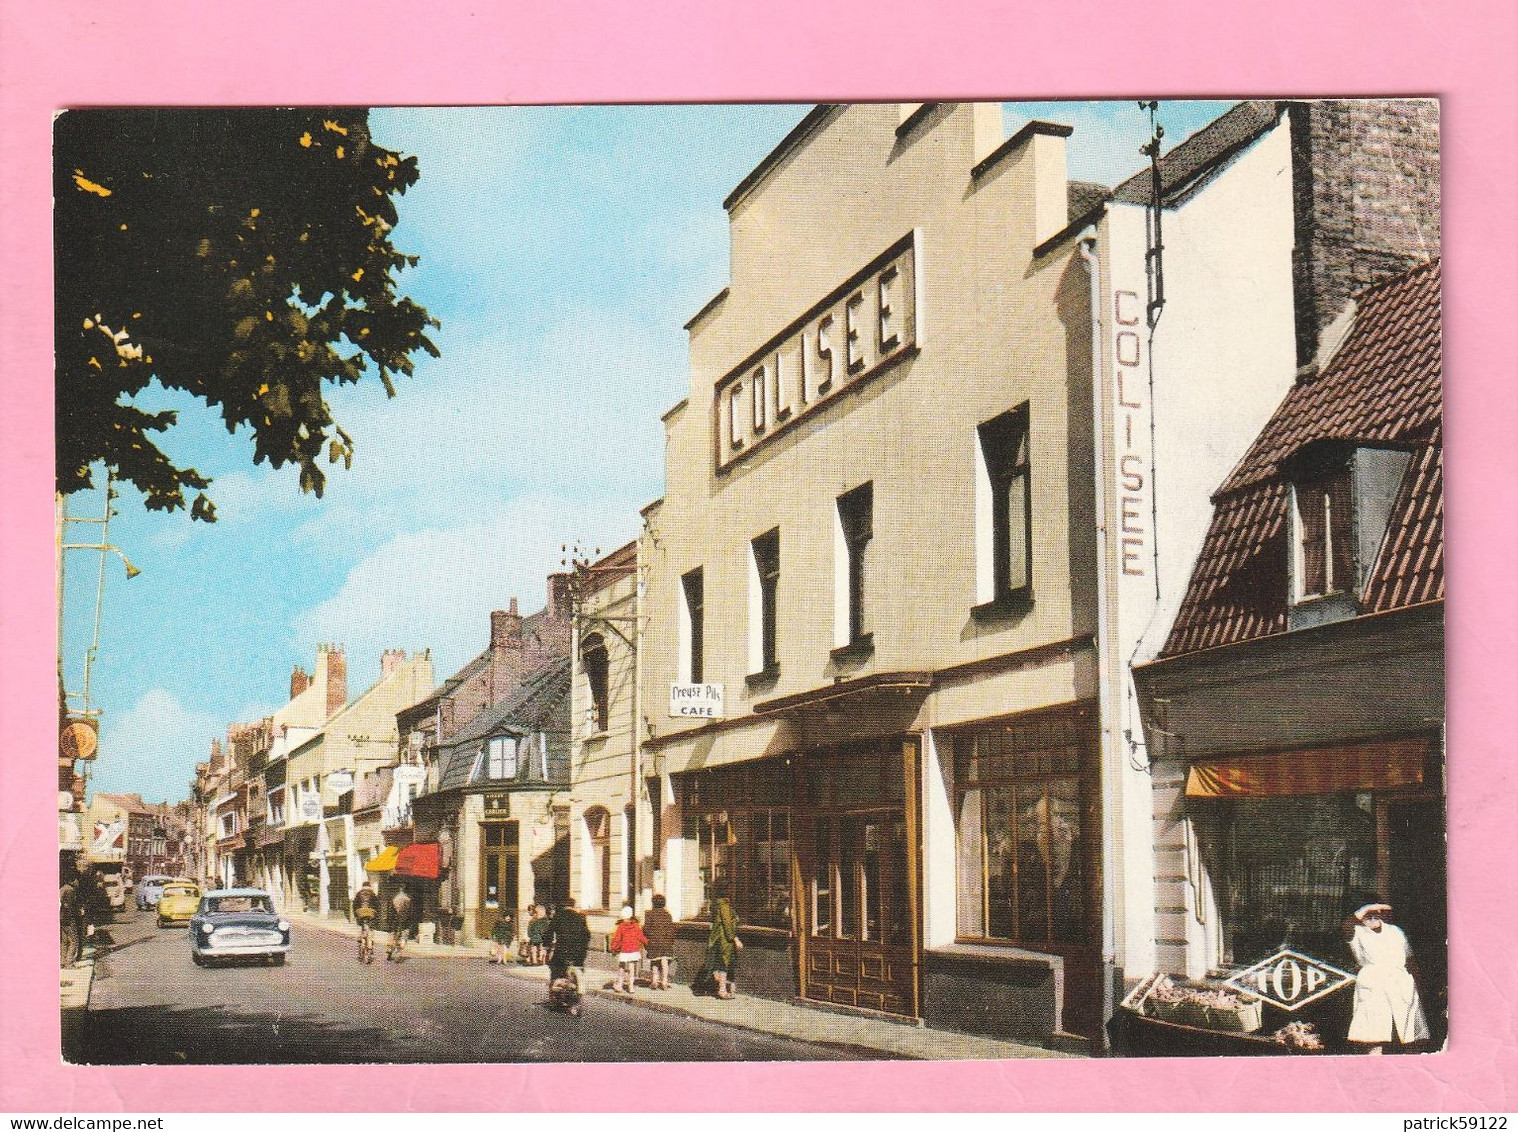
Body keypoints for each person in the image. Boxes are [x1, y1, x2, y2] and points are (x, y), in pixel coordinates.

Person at [1343, 901, 1430, 1054]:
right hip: (1373, 984)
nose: (1371, 917)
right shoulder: (1356, 931)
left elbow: (1409, 958)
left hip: (1400, 982)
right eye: (1367, 914)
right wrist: (1363, 910)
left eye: (1375, 913)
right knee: (1374, 1032)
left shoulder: (1395, 931)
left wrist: (1418, 982)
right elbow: (1346, 925)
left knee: (1408, 1031)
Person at [545, 897, 591, 1014]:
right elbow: (587, 935)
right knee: (578, 967)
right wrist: (583, 948)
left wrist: (547, 944)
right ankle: (574, 995)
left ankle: (556, 993)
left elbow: (549, 932)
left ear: (563, 906)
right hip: (579, 953)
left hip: (562, 951)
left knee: (555, 968)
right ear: (574, 905)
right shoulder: (580, 917)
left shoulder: (559, 916)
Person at [705, 880, 742, 1000]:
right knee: (724, 964)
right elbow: (727, 924)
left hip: (717, 938)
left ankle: (723, 987)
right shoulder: (724, 906)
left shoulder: (716, 904)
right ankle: (722, 990)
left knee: (720, 964)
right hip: (724, 940)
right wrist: (735, 939)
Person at [608, 905, 649, 993]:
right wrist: (647, 943)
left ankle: (620, 985)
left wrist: (613, 948)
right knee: (632, 968)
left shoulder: (621, 926)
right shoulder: (636, 925)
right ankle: (631, 987)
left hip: (624, 950)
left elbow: (617, 938)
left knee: (621, 967)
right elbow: (641, 936)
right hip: (634, 950)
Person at [643, 894, 676, 991]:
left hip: (654, 942)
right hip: (666, 942)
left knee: (655, 961)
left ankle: (654, 981)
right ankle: (665, 982)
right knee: (665, 961)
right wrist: (671, 941)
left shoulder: (649, 914)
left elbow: (646, 929)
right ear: (664, 903)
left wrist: (648, 939)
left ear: (653, 903)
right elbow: (671, 930)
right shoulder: (667, 915)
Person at [352, 880, 380, 963]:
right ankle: (370, 947)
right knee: (370, 930)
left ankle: (361, 940)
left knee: (362, 928)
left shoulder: (359, 894)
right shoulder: (373, 894)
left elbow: (355, 904)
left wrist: (355, 914)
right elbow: (377, 905)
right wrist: (376, 914)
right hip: (371, 913)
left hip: (360, 913)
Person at [386, 885, 414, 961]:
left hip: (394, 919)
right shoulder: (408, 899)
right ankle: (401, 946)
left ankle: (389, 948)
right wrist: (410, 921)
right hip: (405, 920)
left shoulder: (394, 898)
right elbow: (410, 912)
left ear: (400, 890)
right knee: (404, 934)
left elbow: (390, 910)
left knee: (392, 933)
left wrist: (389, 920)